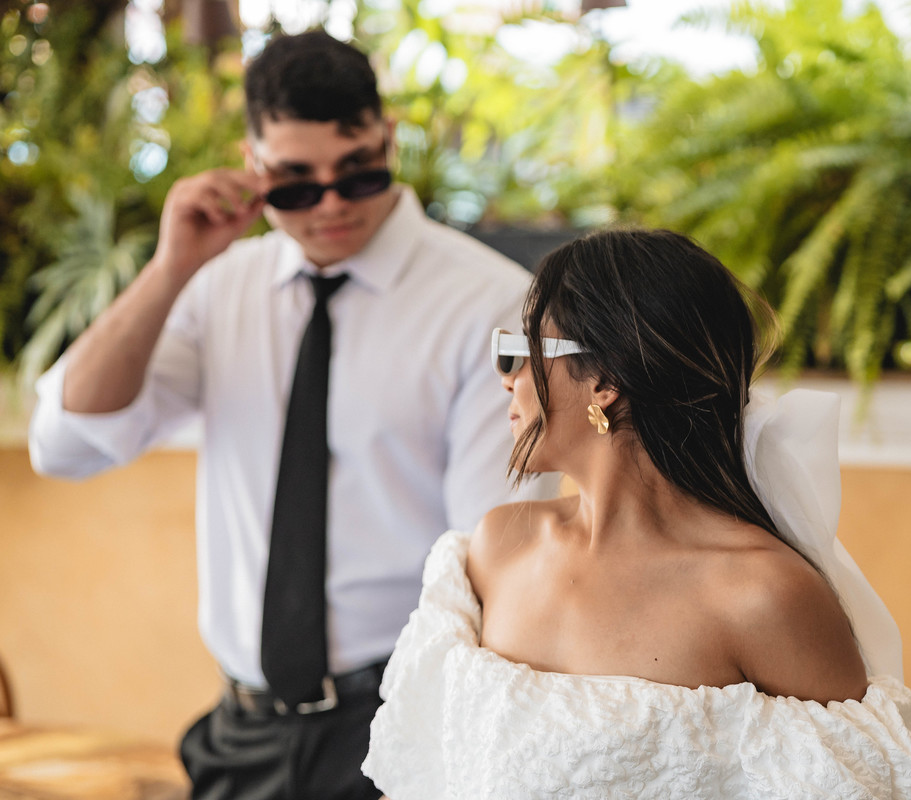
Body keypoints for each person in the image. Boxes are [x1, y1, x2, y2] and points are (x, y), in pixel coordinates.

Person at [28, 30, 547, 800]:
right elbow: (64, 444)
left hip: (400, 717)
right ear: (252, 165)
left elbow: (495, 551)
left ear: (388, 139)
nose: (331, 204)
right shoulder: (215, 288)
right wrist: (172, 269)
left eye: (358, 172)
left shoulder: (490, 304)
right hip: (242, 727)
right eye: (297, 184)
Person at [362, 228, 911, 798]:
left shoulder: (761, 594)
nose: (508, 379)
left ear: (604, 380)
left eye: (523, 352)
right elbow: (425, 772)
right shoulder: (497, 548)